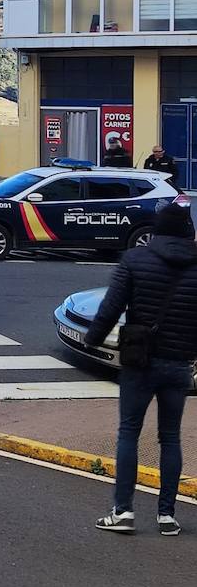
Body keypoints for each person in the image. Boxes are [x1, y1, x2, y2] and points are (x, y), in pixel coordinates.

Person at [86, 199, 197, 536]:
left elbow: (110, 306)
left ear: (158, 230)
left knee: (129, 433)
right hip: (179, 364)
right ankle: (166, 515)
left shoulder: (136, 259)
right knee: (171, 437)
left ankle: (123, 511)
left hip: (139, 361)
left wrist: (91, 340)